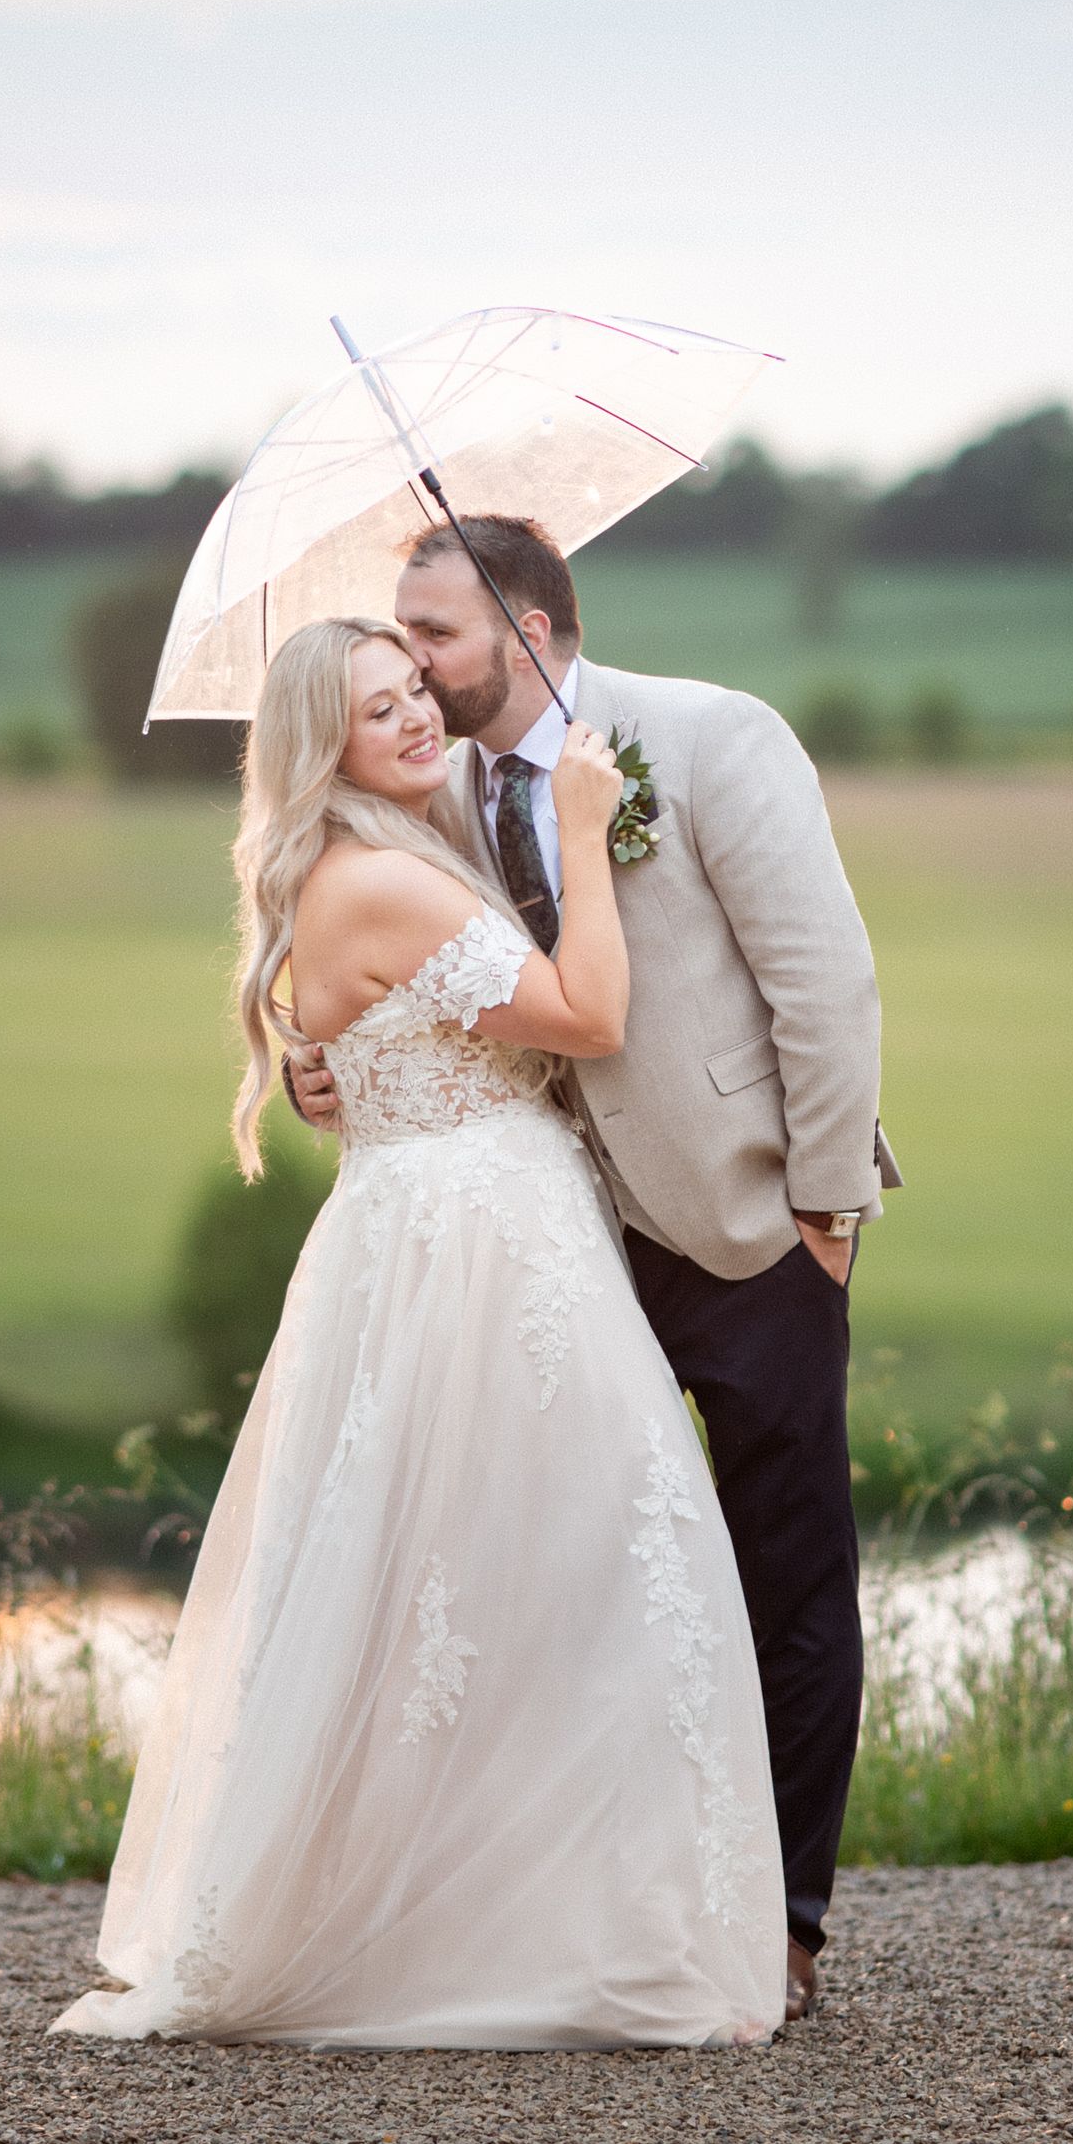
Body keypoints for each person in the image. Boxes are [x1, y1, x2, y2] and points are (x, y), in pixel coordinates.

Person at [53, 615, 787, 2050]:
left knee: (496, 1579)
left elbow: (388, 1036)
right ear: (321, 748)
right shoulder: (380, 881)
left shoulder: (394, 851)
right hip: (480, 1255)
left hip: (463, 1231)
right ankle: (516, 1937)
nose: (412, 719)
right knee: (577, 1563)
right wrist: (588, 833)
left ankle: (536, 1912)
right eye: (375, 709)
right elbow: (586, 1014)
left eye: (412, 691)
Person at [288, 519, 897, 2022]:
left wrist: (825, 1211)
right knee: (592, 1578)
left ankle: (786, 1925)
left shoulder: (710, 740)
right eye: (401, 637)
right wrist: (332, 1063)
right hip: (555, 1239)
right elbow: (422, 987)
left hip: (747, 1226)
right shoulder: (432, 795)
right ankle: (607, 1900)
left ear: (531, 627)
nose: (413, 665)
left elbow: (826, 981)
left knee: (786, 1573)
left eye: (434, 634)